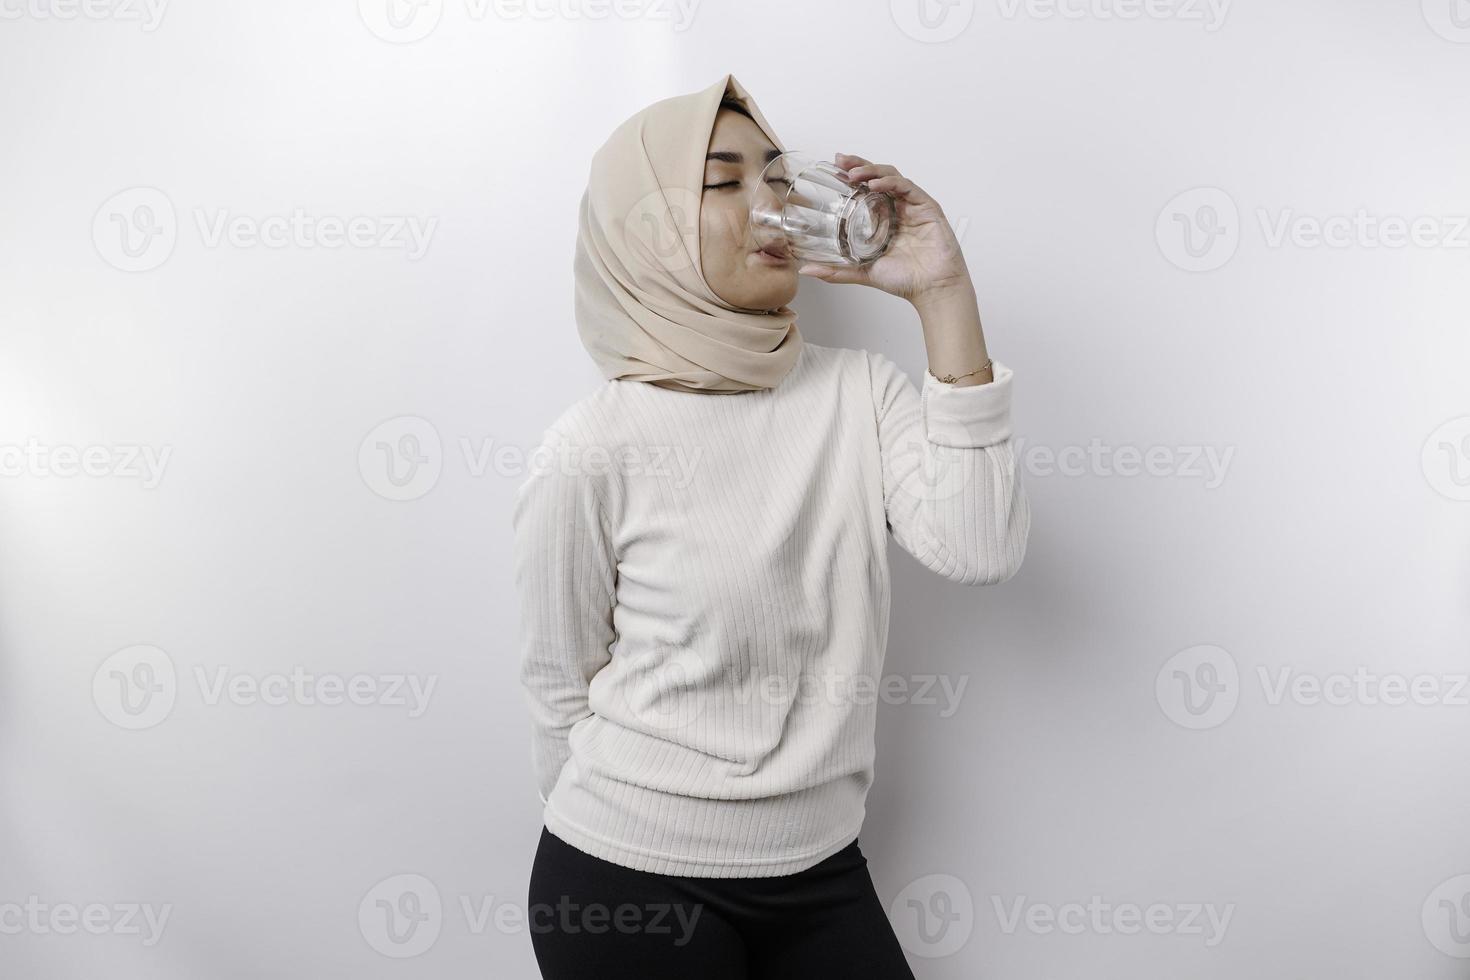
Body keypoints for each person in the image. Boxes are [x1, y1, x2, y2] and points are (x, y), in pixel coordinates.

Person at [513, 72, 1030, 979]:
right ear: (649, 229)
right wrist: (652, 834)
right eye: (724, 181)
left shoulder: (858, 392)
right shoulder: (593, 446)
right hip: (626, 879)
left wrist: (943, 292)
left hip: (820, 871)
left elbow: (980, 547)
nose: (773, 205)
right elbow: (558, 688)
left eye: (782, 178)